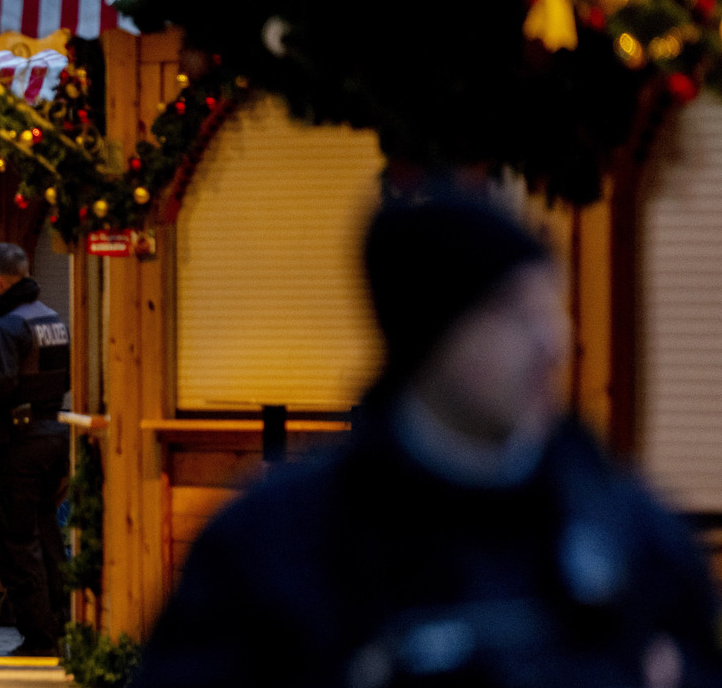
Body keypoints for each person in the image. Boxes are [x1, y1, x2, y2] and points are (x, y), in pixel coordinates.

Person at [132, 186, 722, 688]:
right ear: (429, 335)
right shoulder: (277, 548)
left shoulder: (630, 535)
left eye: (551, 308)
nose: (551, 343)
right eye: (512, 313)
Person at [0, 242, 71, 657]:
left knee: (16, 543)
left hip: (21, 444)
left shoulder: (7, 328)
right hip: (54, 435)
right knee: (47, 538)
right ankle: (61, 626)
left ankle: (38, 637)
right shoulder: (52, 319)